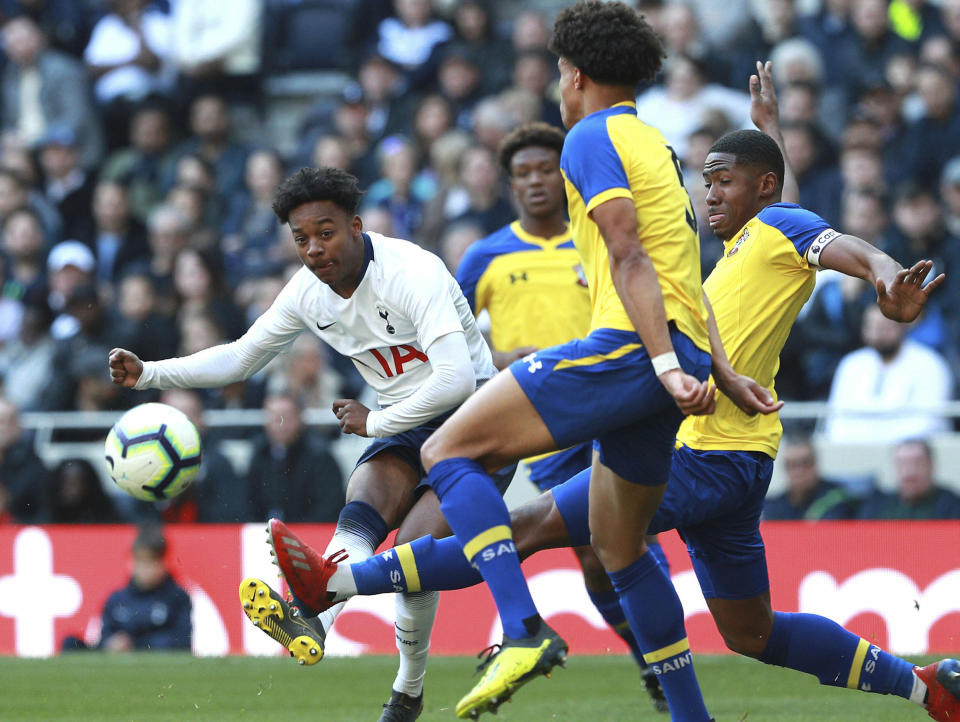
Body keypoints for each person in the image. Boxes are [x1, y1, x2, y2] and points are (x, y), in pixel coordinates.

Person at [269, 60, 960, 722]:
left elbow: (832, 238)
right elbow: (791, 206)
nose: (708, 193)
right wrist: (767, 131)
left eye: (724, 182)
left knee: (533, 529)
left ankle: (334, 584)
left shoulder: (777, 228)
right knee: (751, 633)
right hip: (736, 458)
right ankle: (927, 689)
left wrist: (883, 274)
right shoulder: (744, 248)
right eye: (705, 181)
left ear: (762, 188)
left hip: (699, 452)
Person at [273, 5, 729, 719]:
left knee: (449, 445)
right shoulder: (658, 145)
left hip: (627, 352)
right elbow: (684, 268)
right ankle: (690, 714)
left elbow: (629, 252)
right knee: (619, 546)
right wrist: (708, 366)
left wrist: (666, 360)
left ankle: (521, 628)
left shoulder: (588, 136)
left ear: (574, 75)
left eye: (557, 72)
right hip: (674, 355)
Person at [108, 166, 505, 722]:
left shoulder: (413, 271)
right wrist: (150, 373)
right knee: (362, 503)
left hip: (477, 421)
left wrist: (376, 421)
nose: (314, 249)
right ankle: (315, 617)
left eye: (326, 232)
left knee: (413, 555)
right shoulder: (306, 294)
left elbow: (457, 379)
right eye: (301, 239)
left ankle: (406, 686)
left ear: (357, 227)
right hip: (402, 422)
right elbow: (241, 356)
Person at [456, 120, 666, 710]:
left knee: (633, 536)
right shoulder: (485, 255)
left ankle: (662, 656)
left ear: (565, 174)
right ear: (509, 186)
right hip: (543, 425)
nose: (535, 181)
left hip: (613, 407)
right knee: (594, 554)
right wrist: (501, 358)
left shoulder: (599, 241)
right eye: (522, 173)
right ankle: (648, 657)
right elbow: (451, 341)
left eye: (545, 168)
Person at [63, 524, 191, 651]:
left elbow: (182, 642)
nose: (144, 569)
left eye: (150, 562)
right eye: (140, 561)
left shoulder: (177, 598)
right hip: (116, 662)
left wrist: (135, 645)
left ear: (164, 563)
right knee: (70, 643)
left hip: (154, 660)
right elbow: (104, 639)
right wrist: (112, 643)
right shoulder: (116, 599)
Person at [857, 438, 960, 520]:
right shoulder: (878, 505)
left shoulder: (951, 505)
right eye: (903, 463)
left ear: (930, 465)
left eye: (917, 463)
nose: (909, 471)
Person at [762, 435, 856, 520]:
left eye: (805, 463)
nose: (799, 471)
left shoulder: (835, 499)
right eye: (793, 465)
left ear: (815, 464)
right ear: (785, 468)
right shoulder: (773, 506)